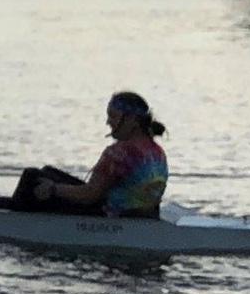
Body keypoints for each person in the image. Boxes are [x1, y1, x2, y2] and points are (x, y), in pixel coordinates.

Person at [13, 92, 169, 217]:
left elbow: (89, 195)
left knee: (32, 177)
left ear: (132, 120)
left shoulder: (118, 153)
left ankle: (7, 220)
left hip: (107, 216)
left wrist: (54, 189)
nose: (108, 122)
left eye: (113, 116)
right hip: (142, 216)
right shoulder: (157, 153)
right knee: (48, 172)